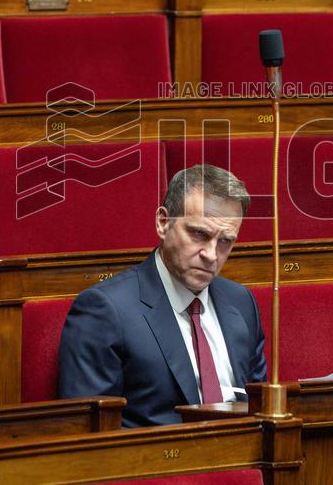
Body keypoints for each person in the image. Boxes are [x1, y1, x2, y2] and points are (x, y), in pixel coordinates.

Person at [58, 163, 267, 427]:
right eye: (199, 234)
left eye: (225, 241)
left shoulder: (241, 302)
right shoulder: (106, 310)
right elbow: (89, 431)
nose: (211, 255)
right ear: (163, 223)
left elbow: (260, 409)